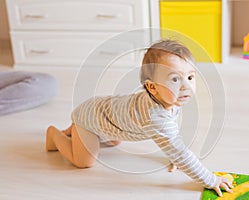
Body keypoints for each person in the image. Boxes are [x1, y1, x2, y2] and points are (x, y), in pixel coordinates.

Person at [46, 39, 233, 197]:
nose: (185, 86)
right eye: (175, 79)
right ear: (152, 87)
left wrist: (174, 153)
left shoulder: (167, 99)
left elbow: (173, 135)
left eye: (190, 77)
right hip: (89, 118)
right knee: (84, 162)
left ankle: (75, 130)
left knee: (114, 142)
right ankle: (55, 135)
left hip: (104, 115)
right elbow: (181, 153)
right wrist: (211, 179)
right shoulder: (155, 117)